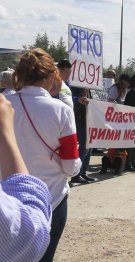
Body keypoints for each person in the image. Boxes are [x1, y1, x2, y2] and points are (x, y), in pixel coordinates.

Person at [7, 48, 82, 261]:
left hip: (9, 200)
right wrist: (76, 165)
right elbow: (69, 166)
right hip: (52, 200)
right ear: (52, 76)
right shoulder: (61, 110)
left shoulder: (5, 104)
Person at [0, 93, 52, 262]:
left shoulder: (9, 102)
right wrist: (5, 134)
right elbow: (28, 235)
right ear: (51, 78)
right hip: (43, 197)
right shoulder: (61, 109)